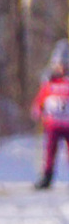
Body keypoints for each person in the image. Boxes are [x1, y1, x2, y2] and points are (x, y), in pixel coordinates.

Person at [34, 40, 69, 190]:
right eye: (57, 64)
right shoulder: (49, 83)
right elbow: (40, 100)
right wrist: (38, 110)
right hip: (52, 125)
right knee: (49, 151)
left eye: (63, 64)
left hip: (68, 124)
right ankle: (47, 176)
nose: (60, 67)